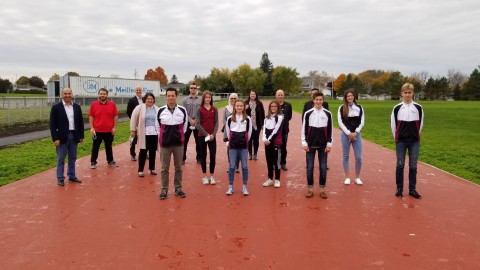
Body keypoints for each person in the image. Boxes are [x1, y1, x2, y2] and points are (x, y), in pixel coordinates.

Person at [391, 83, 424, 199]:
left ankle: (412, 189)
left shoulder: (418, 108)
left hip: (414, 141)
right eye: (405, 93)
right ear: (401, 94)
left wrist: (415, 135)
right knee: (400, 165)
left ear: (413, 93)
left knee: (413, 166)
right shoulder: (397, 108)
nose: (407, 95)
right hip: (401, 141)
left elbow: (420, 125)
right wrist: (397, 137)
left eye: (409, 92)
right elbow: (393, 125)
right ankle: (399, 188)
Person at [49, 87, 85, 186]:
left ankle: (72, 176)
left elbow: (80, 123)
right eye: (65, 94)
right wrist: (55, 138)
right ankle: (60, 178)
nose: (67, 95)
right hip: (61, 137)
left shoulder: (77, 107)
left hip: (74, 135)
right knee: (61, 158)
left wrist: (81, 135)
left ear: (72, 94)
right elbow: (52, 125)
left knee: (72, 157)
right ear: (62, 95)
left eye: (69, 93)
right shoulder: (56, 107)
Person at [157, 88, 188, 200]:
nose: (171, 98)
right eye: (168, 96)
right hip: (165, 145)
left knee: (178, 167)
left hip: (178, 144)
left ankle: (178, 188)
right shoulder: (160, 110)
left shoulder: (182, 110)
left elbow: (185, 126)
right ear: (166, 97)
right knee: (164, 168)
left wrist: (178, 135)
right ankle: (164, 189)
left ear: (176, 96)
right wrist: (164, 136)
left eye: (173, 95)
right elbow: (157, 127)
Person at [301, 92, 332, 199]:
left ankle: (322, 189)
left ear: (323, 101)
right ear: (313, 100)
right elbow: (304, 129)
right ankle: (310, 188)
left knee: (323, 167)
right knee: (310, 167)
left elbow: (330, 130)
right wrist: (304, 143)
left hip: (323, 145)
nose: (318, 101)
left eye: (320, 100)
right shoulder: (308, 113)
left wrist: (329, 144)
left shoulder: (327, 113)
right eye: (316, 100)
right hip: (310, 145)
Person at [225, 99, 252, 196]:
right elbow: (228, 132)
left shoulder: (248, 119)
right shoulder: (229, 119)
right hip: (233, 146)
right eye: (237, 106)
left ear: (244, 107)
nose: (239, 108)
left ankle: (245, 186)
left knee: (244, 167)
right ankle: (230, 186)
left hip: (243, 146)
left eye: (241, 106)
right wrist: (231, 141)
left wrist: (245, 141)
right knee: (232, 166)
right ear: (234, 107)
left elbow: (249, 132)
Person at [338, 89, 365, 185]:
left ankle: (357, 177)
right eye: (348, 96)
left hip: (357, 134)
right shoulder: (341, 108)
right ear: (345, 97)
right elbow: (340, 123)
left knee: (359, 157)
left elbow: (362, 121)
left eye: (351, 95)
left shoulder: (360, 107)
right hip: (345, 135)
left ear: (354, 96)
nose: (350, 97)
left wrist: (356, 132)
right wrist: (349, 133)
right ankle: (347, 177)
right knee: (345, 156)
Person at [130, 93, 160, 177]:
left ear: (154, 100)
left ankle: (152, 168)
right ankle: (140, 170)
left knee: (152, 152)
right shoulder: (139, 108)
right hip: (144, 133)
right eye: (148, 99)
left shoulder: (157, 109)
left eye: (151, 99)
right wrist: (133, 129)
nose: (150, 100)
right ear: (145, 99)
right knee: (143, 151)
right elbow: (133, 118)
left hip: (154, 133)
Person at [89, 88, 119, 169]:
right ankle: (93, 162)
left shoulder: (112, 104)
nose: (102, 95)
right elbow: (91, 117)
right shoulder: (93, 104)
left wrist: (114, 127)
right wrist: (92, 128)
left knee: (109, 146)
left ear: (107, 95)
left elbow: (115, 117)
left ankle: (110, 161)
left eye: (104, 94)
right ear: (98, 95)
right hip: (97, 130)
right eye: (101, 94)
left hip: (109, 130)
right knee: (95, 147)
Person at [303, 88, 330, 170]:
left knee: (323, 149)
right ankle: (309, 164)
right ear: (312, 96)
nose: (318, 101)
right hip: (311, 130)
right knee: (309, 150)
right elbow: (304, 117)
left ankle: (324, 164)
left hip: (322, 131)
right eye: (313, 94)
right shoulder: (307, 104)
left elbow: (327, 118)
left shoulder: (325, 104)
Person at [195, 90, 219, 185]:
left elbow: (216, 122)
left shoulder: (214, 109)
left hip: (212, 137)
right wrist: (206, 135)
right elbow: (197, 124)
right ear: (203, 98)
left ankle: (212, 176)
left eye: (209, 97)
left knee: (212, 156)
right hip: (202, 136)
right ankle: (205, 176)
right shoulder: (199, 109)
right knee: (203, 156)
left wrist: (213, 134)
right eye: (206, 97)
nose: (208, 99)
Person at [262, 100, 284, 188]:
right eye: (272, 106)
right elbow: (264, 130)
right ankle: (270, 179)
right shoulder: (266, 118)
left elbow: (276, 130)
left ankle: (277, 179)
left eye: (275, 106)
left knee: (276, 162)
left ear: (278, 107)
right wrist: (264, 139)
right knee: (269, 161)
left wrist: (269, 139)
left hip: (275, 143)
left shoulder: (280, 117)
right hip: (267, 143)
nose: (273, 108)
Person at [182, 83, 201, 165]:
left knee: (199, 141)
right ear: (189, 89)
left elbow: (201, 111)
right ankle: (182, 158)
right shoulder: (185, 100)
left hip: (198, 123)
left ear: (196, 89)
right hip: (187, 123)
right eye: (191, 88)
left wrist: (196, 120)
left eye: (194, 88)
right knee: (184, 141)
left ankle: (199, 158)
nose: (193, 89)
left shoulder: (201, 100)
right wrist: (190, 120)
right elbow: (184, 112)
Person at [223, 93, 240, 173]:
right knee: (229, 148)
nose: (233, 100)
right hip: (228, 131)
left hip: (238, 132)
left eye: (235, 98)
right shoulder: (226, 108)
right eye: (232, 98)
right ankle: (231, 165)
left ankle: (236, 165)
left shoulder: (239, 107)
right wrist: (229, 127)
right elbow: (224, 119)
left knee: (238, 148)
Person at [245, 90, 265, 160]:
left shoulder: (259, 103)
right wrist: (245, 108)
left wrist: (262, 124)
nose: (252, 95)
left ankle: (255, 153)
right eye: (251, 94)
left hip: (257, 125)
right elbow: (242, 113)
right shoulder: (245, 103)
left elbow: (262, 114)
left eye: (254, 94)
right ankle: (250, 154)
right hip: (248, 125)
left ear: (256, 95)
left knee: (256, 140)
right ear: (249, 95)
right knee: (249, 140)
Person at [276, 89, 292, 170]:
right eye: (279, 95)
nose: (280, 96)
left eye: (281, 95)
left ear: (283, 96)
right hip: (275, 131)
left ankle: (283, 163)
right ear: (276, 96)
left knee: (283, 147)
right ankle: (275, 163)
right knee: (275, 147)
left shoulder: (288, 105)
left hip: (284, 130)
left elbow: (289, 117)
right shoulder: (273, 105)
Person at [127, 86, 143, 161]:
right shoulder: (131, 100)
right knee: (133, 138)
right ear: (135, 91)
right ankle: (132, 154)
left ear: (141, 90)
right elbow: (128, 112)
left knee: (143, 138)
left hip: (143, 123)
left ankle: (144, 153)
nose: (138, 91)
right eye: (137, 90)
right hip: (135, 123)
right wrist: (134, 120)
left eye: (139, 90)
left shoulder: (144, 99)